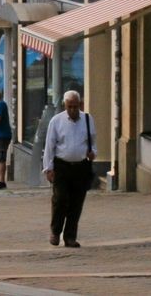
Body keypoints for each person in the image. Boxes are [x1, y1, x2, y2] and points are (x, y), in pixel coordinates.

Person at [43, 90, 96, 248]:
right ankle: (55, 231)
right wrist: (48, 168)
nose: (72, 110)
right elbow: (49, 146)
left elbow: (93, 141)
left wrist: (93, 153)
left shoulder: (87, 119)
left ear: (80, 105)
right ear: (65, 106)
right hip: (62, 166)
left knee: (76, 202)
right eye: (69, 107)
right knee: (60, 199)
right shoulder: (56, 121)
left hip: (81, 166)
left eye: (75, 106)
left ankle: (70, 236)